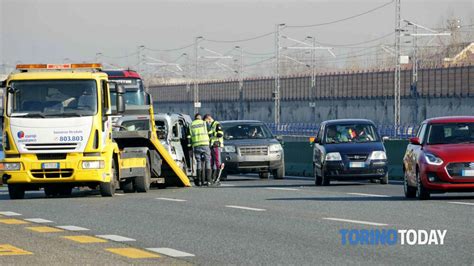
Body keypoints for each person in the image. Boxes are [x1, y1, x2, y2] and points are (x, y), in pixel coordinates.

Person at [188, 114, 212, 186]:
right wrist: (210, 143)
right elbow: (210, 133)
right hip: (205, 144)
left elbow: (189, 137)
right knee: (207, 161)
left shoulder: (191, 125)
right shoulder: (204, 123)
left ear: (195, 118)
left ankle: (199, 181)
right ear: (200, 118)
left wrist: (189, 148)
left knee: (198, 162)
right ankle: (208, 181)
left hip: (196, 145)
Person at [203, 114, 224, 184]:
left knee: (218, 162)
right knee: (211, 162)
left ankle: (217, 179)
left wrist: (212, 133)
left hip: (216, 145)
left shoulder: (217, 124)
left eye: (206, 121)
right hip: (211, 146)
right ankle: (212, 178)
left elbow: (220, 134)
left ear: (208, 118)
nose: (206, 122)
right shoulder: (211, 125)